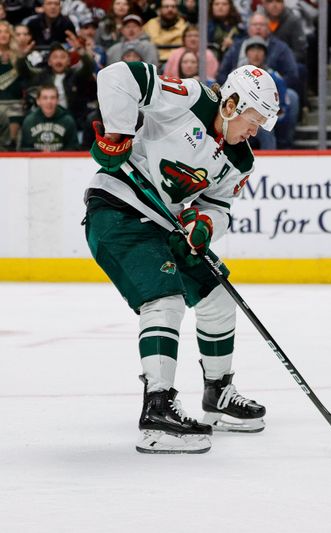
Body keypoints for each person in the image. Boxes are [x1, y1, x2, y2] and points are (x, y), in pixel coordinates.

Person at [83, 61, 280, 453]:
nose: (255, 131)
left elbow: (218, 206)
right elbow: (117, 76)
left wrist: (204, 224)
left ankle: (218, 393)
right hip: (116, 210)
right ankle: (157, 410)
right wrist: (119, 132)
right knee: (164, 299)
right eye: (253, 120)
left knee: (218, 294)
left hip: (163, 224)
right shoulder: (190, 98)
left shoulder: (242, 160)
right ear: (232, 103)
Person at [19, 83, 79, 150]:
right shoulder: (29, 121)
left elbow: (73, 149)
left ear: (57, 100)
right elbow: (24, 150)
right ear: (38, 101)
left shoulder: (68, 121)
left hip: (61, 159)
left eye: (52, 98)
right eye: (45, 98)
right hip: (36, 160)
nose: (49, 102)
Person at [258, 0, 306, 64]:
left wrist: (282, 62)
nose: (274, 5)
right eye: (270, 1)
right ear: (264, 4)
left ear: (283, 3)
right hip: (261, 64)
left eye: (278, 1)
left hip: (286, 63)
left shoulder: (293, 21)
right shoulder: (258, 21)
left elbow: (300, 52)